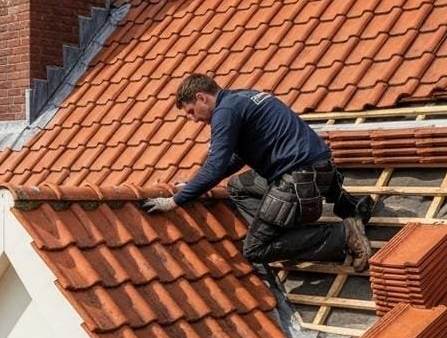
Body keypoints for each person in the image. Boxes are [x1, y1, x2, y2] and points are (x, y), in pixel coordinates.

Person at [143, 73, 372, 271]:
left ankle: (343, 234)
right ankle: (284, 225)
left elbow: (215, 166)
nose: (193, 120)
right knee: (237, 187)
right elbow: (234, 159)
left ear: (201, 97)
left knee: (255, 248)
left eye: (192, 112)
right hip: (320, 170)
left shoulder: (225, 112)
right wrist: (193, 184)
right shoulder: (241, 97)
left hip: (299, 178)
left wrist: (174, 201)